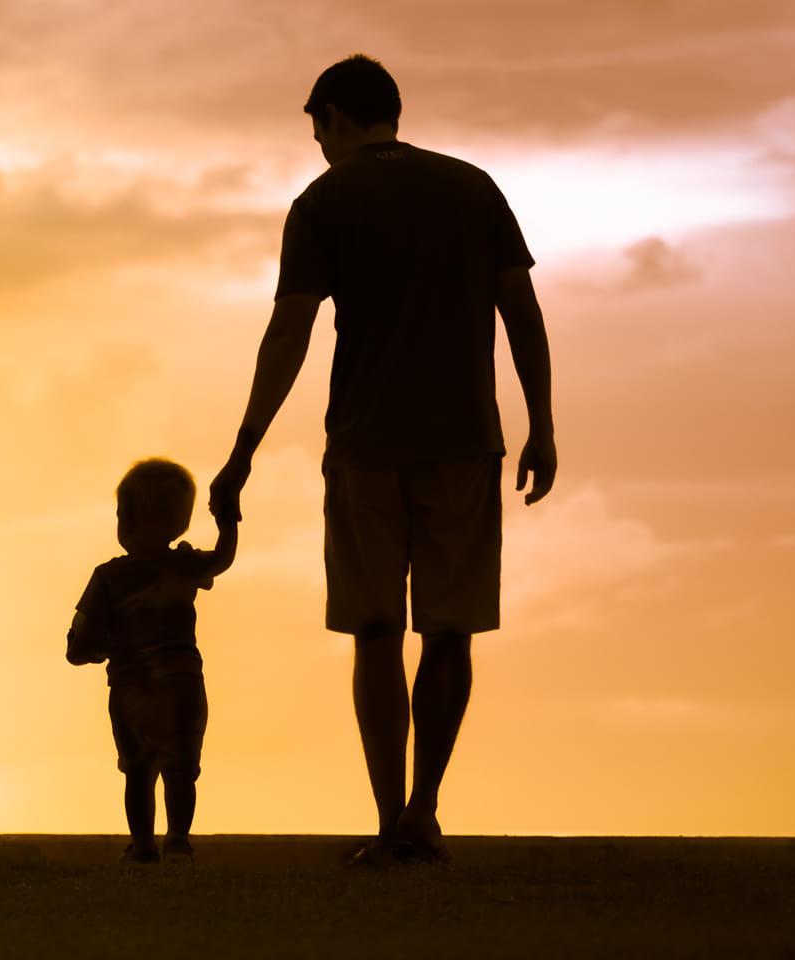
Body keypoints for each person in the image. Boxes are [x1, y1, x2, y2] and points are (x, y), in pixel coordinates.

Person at [209, 54, 557, 867]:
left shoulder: (323, 202)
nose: (319, 146)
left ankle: (388, 816)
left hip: (365, 448)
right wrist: (542, 424)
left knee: (373, 632)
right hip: (465, 441)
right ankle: (426, 812)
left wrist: (243, 449)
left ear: (332, 116)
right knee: (449, 631)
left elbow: (289, 331)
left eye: (316, 129)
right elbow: (523, 311)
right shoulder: (474, 188)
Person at [68, 457, 238, 864]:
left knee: (138, 770)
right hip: (182, 686)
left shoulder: (108, 578)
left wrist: (87, 650)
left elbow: (81, 639)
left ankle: (143, 844)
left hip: (130, 690)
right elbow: (222, 559)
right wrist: (229, 521)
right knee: (181, 767)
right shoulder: (183, 563)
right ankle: (178, 839)